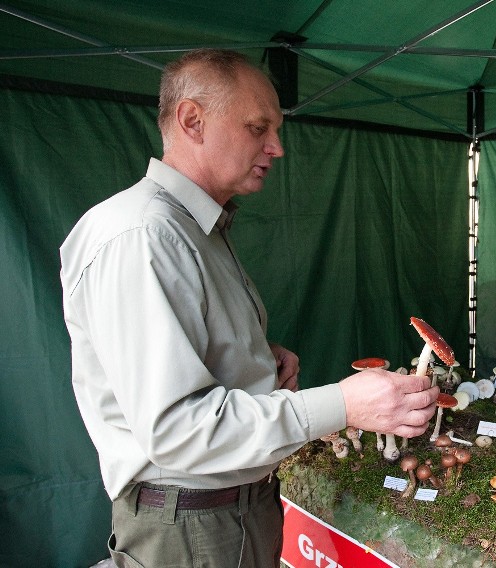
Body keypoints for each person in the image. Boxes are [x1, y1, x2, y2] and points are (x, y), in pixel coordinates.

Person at [59, 49, 439, 568]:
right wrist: (344, 406)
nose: (276, 148)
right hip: (195, 528)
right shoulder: (145, 235)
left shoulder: (194, 228)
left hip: (225, 514)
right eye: (258, 127)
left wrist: (251, 356)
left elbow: (179, 361)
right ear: (192, 120)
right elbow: (177, 428)